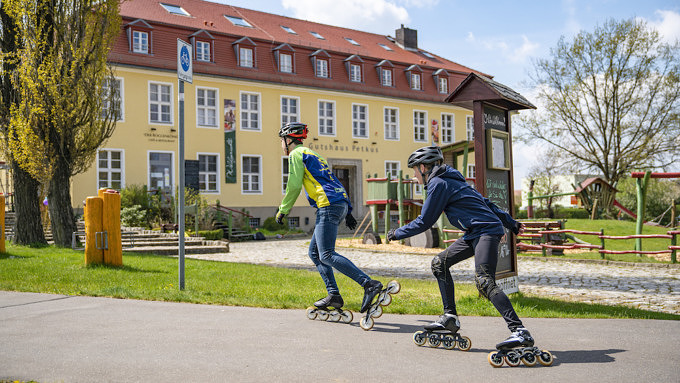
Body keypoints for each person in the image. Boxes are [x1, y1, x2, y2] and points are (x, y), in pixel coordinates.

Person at [387, 146, 533, 349]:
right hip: (475, 232)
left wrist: (396, 233)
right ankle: (450, 317)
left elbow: (425, 221)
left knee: (484, 281)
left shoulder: (438, 183)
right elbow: (487, 204)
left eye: (414, 170)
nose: (414, 175)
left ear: (422, 167)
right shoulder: (453, 180)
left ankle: (519, 331)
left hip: (485, 231)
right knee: (440, 263)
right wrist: (512, 224)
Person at [275, 122, 383, 314]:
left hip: (327, 206)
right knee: (315, 253)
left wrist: (283, 209)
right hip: (338, 202)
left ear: (289, 140)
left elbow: (293, 185)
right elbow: (333, 182)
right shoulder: (315, 155)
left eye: (282, 142)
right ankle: (333, 295)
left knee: (326, 254)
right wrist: (348, 211)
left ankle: (368, 284)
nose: (281, 146)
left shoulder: (295, 155)